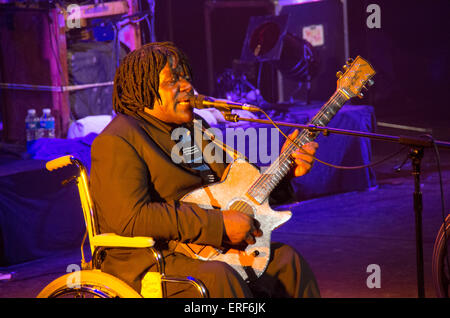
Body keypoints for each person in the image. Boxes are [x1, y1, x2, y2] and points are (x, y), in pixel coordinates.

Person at [90, 42, 320, 297]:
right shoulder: (118, 140)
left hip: (205, 248)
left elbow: (237, 190)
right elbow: (131, 218)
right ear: (143, 90)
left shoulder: (193, 128)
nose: (187, 86)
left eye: (186, 78)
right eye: (172, 81)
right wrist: (218, 225)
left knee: (287, 262)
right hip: (152, 261)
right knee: (220, 279)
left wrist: (284, 173)